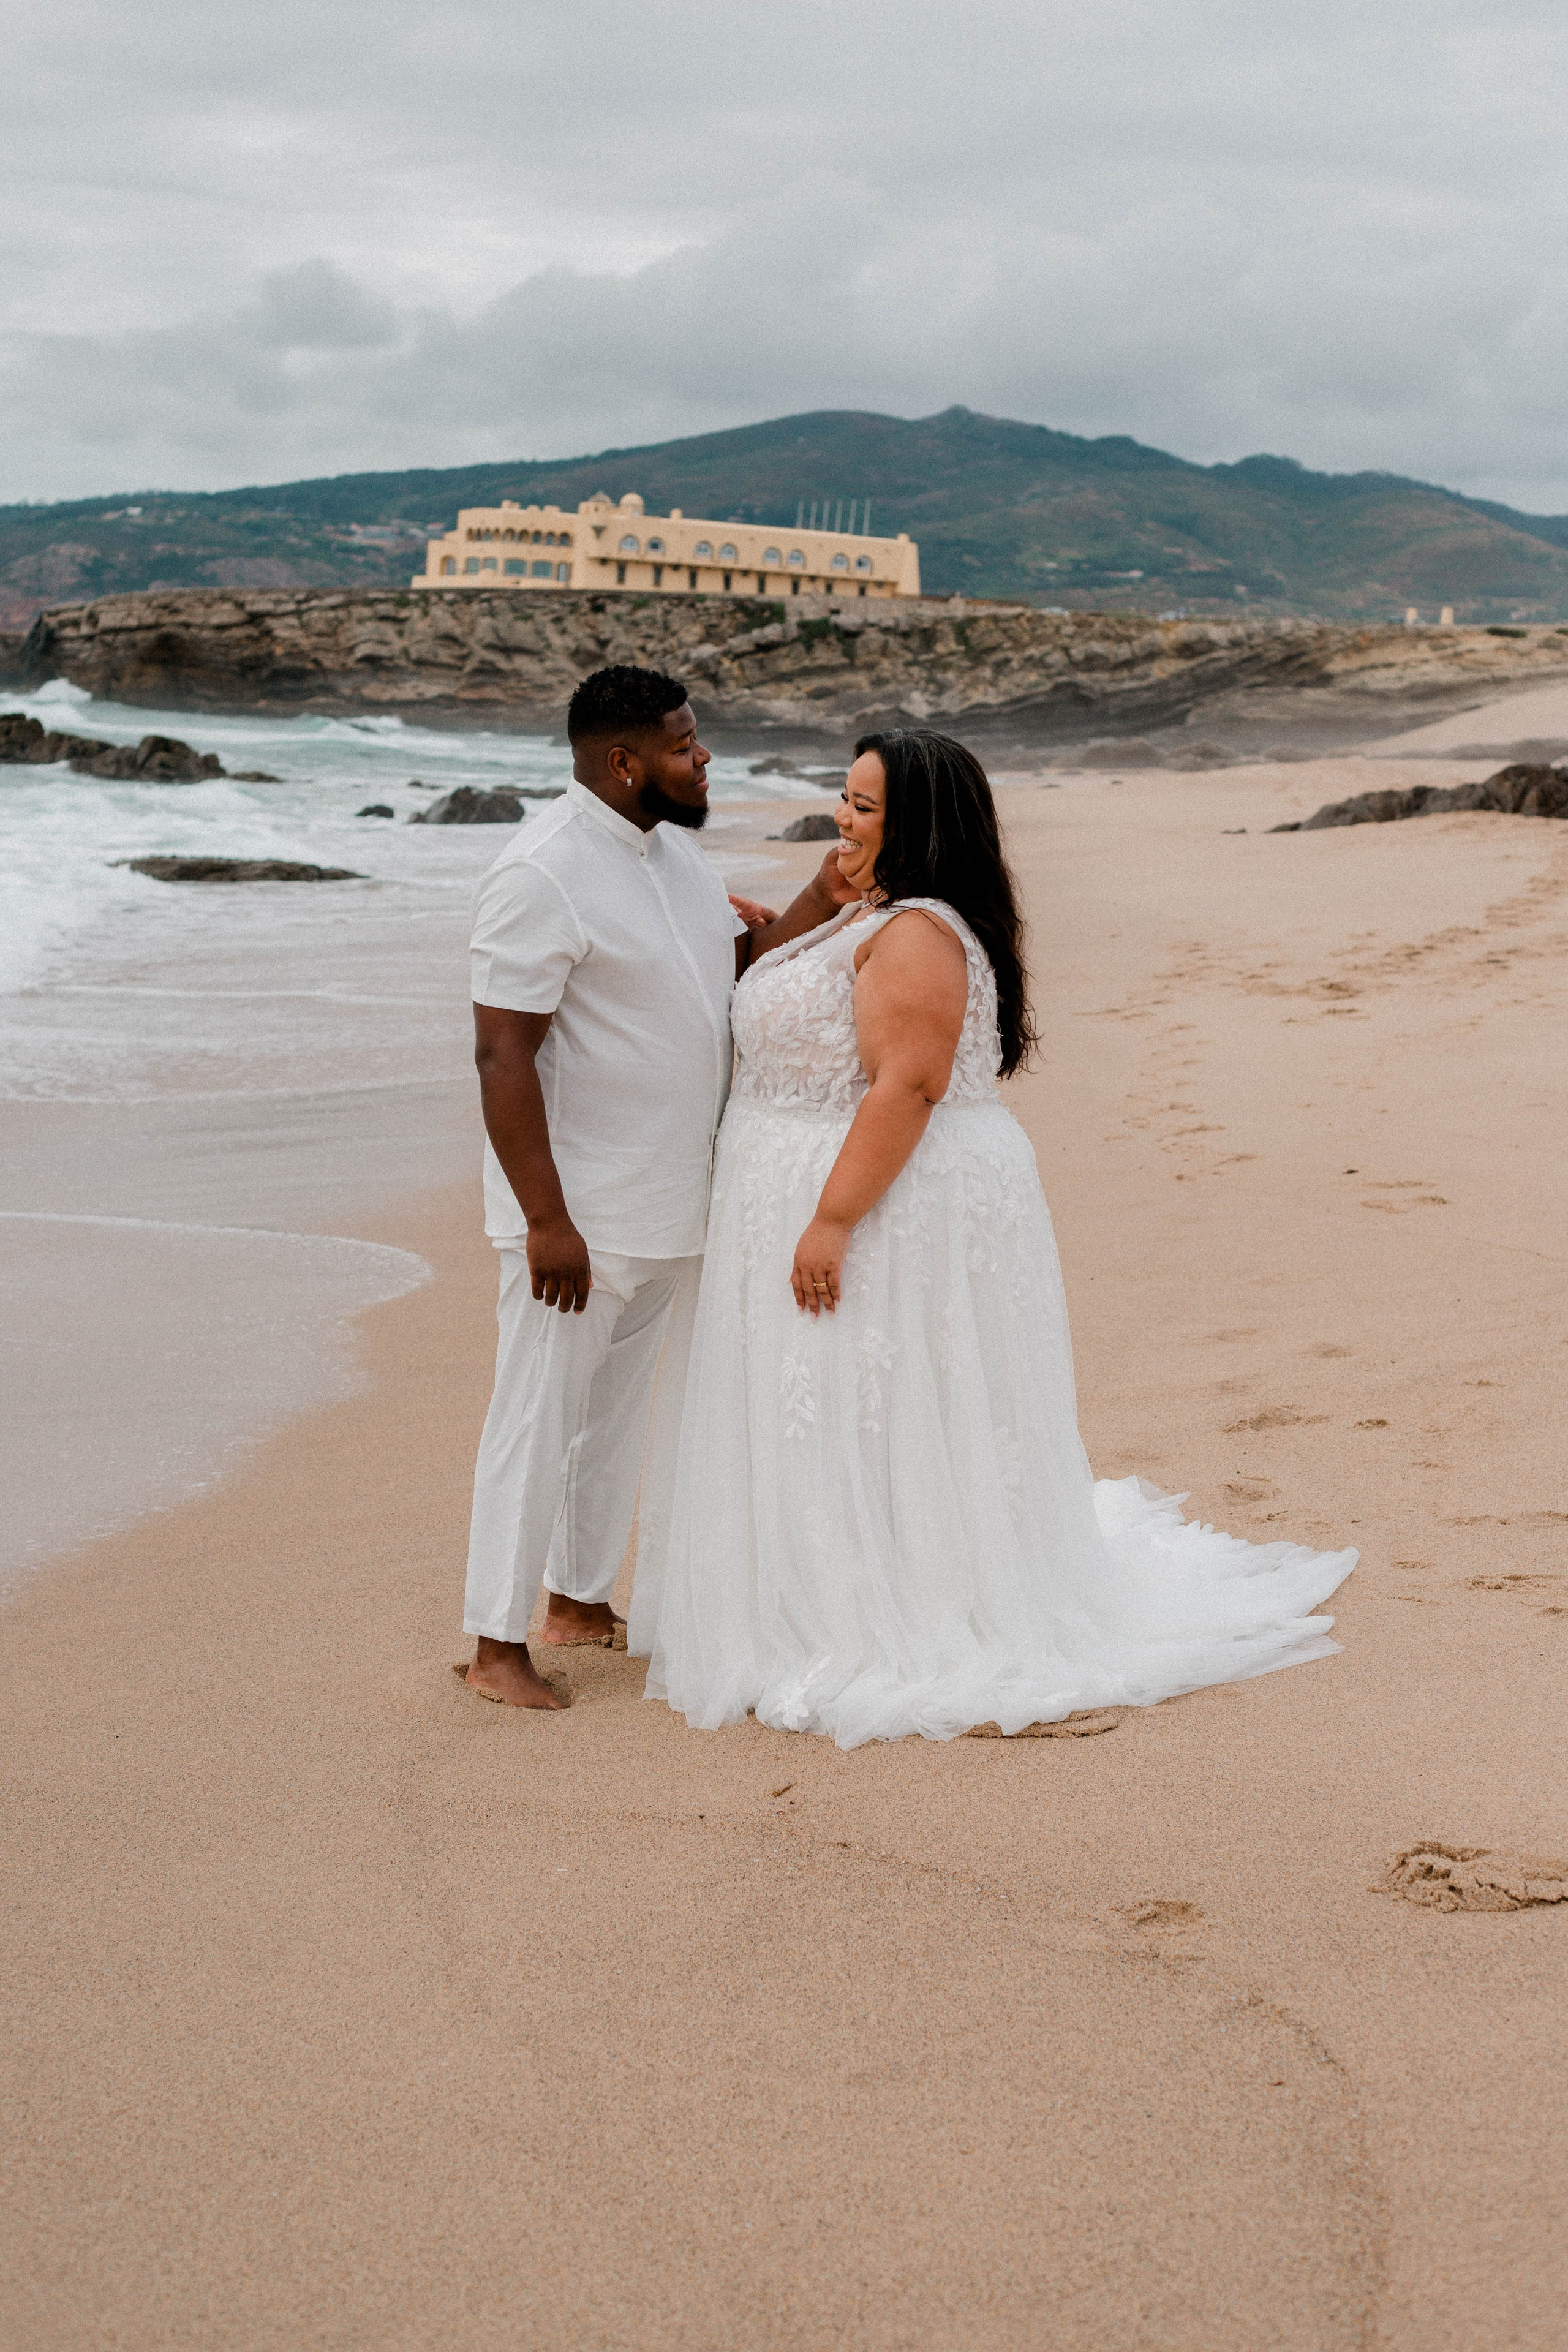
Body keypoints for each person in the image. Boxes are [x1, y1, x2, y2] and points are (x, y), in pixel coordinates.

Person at [646, 729, 1356, 1747]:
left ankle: (885, 1605)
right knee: (845, 1406)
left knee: (871, 1401)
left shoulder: (919, 934)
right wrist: (821, 888)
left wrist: (833, 1220)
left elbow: (911, 1084)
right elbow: (771, 974)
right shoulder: (871, 911)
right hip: (807, 1184)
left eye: (864, 808)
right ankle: (826, 1585)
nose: (841, 820)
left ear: (920, 826)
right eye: (842, 799)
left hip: (874, 1203)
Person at [460, 664, 856, 1709]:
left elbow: (725, 979)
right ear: (623, 762)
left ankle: (578, 1602)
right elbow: (502, 1055)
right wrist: (545, 1219)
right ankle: (496, 1646)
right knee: (535, 1418)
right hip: (578, 1216)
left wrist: (821, 898)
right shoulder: (539, 872)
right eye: (685, 744)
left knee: (615, 1419)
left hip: (672, 1202)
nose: (704, 755)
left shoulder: (674, 852)